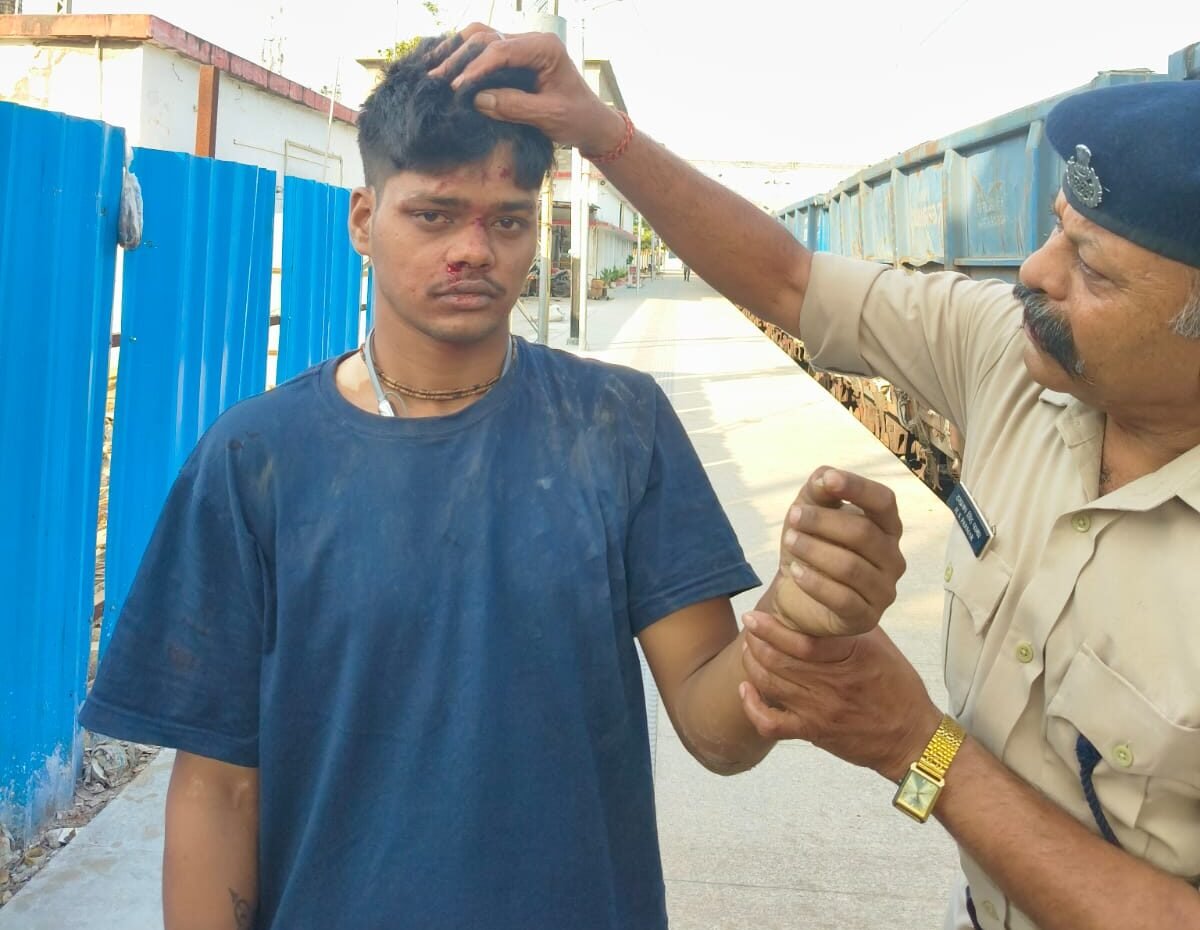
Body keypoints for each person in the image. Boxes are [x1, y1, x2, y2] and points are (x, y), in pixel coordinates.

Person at [80, 37, 908, 930]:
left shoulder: (617, 426)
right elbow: (216, 794)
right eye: (434, 215)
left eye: (507, 220)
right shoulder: (253, 461)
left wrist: (793, 613)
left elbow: (717, 731)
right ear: (363, 220)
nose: (473, 249)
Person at [438, 26, 1200, 930]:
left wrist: (921, 747)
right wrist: (603, 133)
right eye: (1054, 233)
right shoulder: (1012, 357)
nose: (1034, 274)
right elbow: (788, 276)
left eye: (1095, 272)